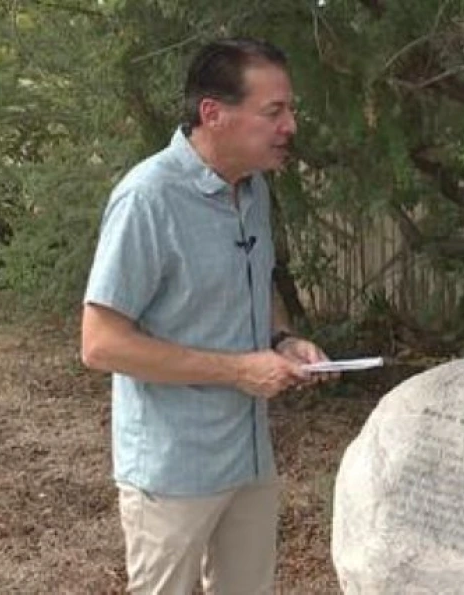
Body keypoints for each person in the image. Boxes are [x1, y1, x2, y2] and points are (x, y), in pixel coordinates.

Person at [81, 38, 333, 593]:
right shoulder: (147, 199)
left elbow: (253, 281)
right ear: (212, 114)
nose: (290, 125)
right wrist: (239, 371)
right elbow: (100, 344)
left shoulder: (255, 189)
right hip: (173, 470)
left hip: (249, 456)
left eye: (290, 109)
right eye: (274, 111)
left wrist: (283, 338)